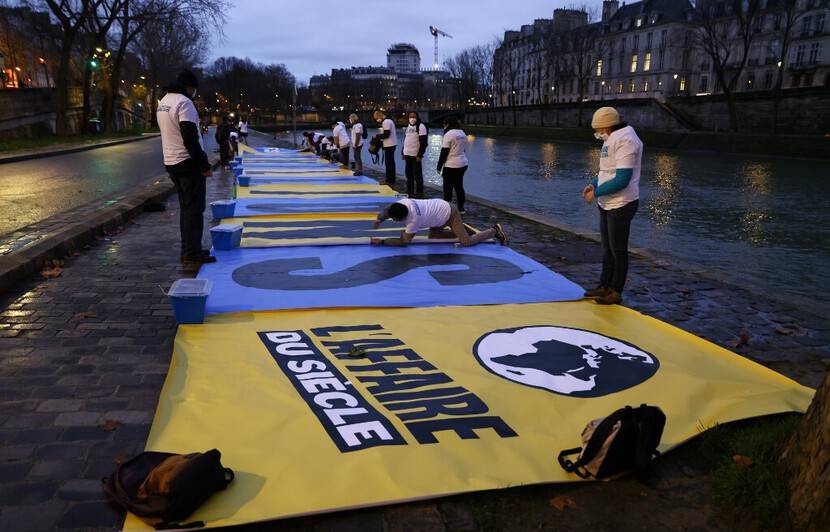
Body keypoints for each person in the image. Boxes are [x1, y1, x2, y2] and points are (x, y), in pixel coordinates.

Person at [581, 106, 643, 306]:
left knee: (618, 250)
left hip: (622, 203)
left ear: (607, 127)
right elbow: (606, 171)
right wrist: (593, 183)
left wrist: (595, 193)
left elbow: (623, 178)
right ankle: (604, 285)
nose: (597, 133)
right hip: (606, 203)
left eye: (599, 129)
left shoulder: (627, 140)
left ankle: (616, 290)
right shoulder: (611, 140)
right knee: (607, 248)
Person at [156, 69, 215, 265]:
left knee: (185, 207)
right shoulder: (185, 102)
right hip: (188, 162)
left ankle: (188, 248)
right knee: (195, 209)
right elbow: (189, 137)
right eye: (194, 89)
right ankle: (192, 252)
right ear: (189, 88)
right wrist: (204, 164)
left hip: (171, 162)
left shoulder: (163, 102)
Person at [371, 198, 506, 247]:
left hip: (450, 213)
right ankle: (461, 229)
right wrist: (379, 219)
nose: (393, 220)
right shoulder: (402, 203)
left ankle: (494, 231)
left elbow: (404, 242)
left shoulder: (413, 220)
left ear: (401, 218)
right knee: (433, 237)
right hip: (437, 214)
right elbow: (388, 210)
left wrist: (382, 242)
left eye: (394, 219)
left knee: (466, 242)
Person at [436, 117, 469, 213]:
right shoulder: (462, 133)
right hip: (462, 163)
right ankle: (461, 208)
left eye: (444, 124)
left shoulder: (448, 134)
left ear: (447, 124)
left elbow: (444, 152)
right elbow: (463, 149)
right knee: (459, 186)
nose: (443, 126)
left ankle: (447, 209)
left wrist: (439, 166)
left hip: (451, 164)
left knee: (448, 187)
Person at [402, 111, 427, 198]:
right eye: (410, 116)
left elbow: (423, 142)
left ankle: (420, 192)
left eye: (414, 116)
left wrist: (420, 155)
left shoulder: (421, 126)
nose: (412, 118)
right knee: (408, 174)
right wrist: (403, 152)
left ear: (417, 117)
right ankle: (410, 191)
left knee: (417, 175)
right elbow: (406, 140)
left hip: (415, 155)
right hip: (407, 154)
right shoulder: (408, 127)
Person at [373, 110, 397, 185]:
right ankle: (391, 180)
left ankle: (389, 180)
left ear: (379, 115)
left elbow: (387, 134)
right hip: (392, 144)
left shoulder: (386, 122)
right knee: (391, 163)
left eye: (376, 118)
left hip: (389, 144)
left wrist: (377, 136)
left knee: (388, 163)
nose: (377, 120)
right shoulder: (390, 121)